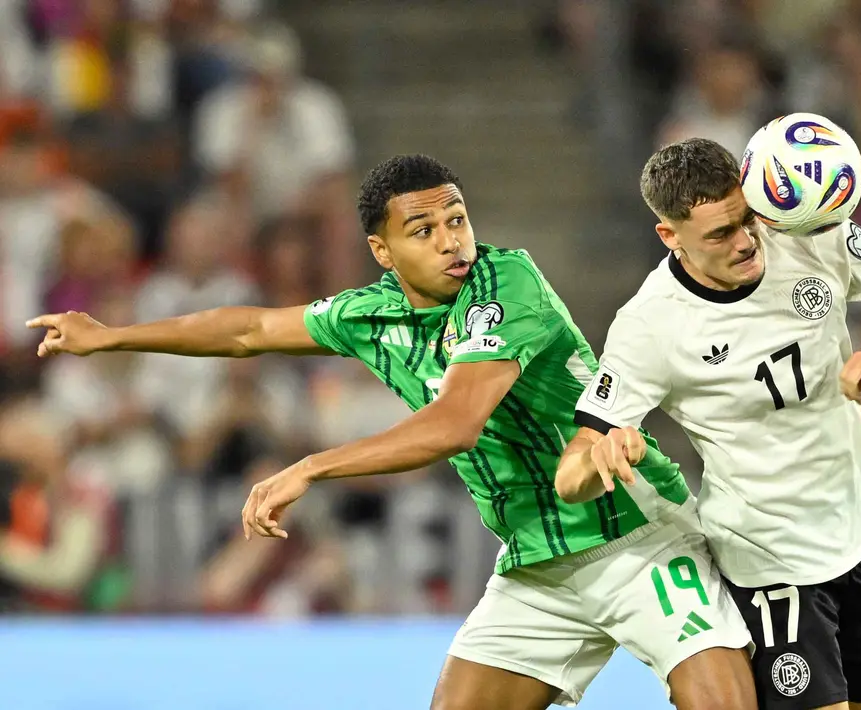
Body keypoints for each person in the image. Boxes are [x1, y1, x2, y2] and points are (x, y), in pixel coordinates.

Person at [27, 154, 756, 710]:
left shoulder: (507, 287)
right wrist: (112, 337)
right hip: (539, 564)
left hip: (635, 533)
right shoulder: (371, 314)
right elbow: (248, 328)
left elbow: (455, 424)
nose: (450, 241)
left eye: (457, 220)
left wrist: (309, 466)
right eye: (424, 230)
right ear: (383, 252)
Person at [557, 138, 861, 710]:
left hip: (860, 534)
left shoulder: (809, 233)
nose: (746, 240)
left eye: (745, 218)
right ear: (669, 237)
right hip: (769, 564)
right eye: (719, 234)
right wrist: (597, 458)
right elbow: (572, 469)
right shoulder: (650, 326)